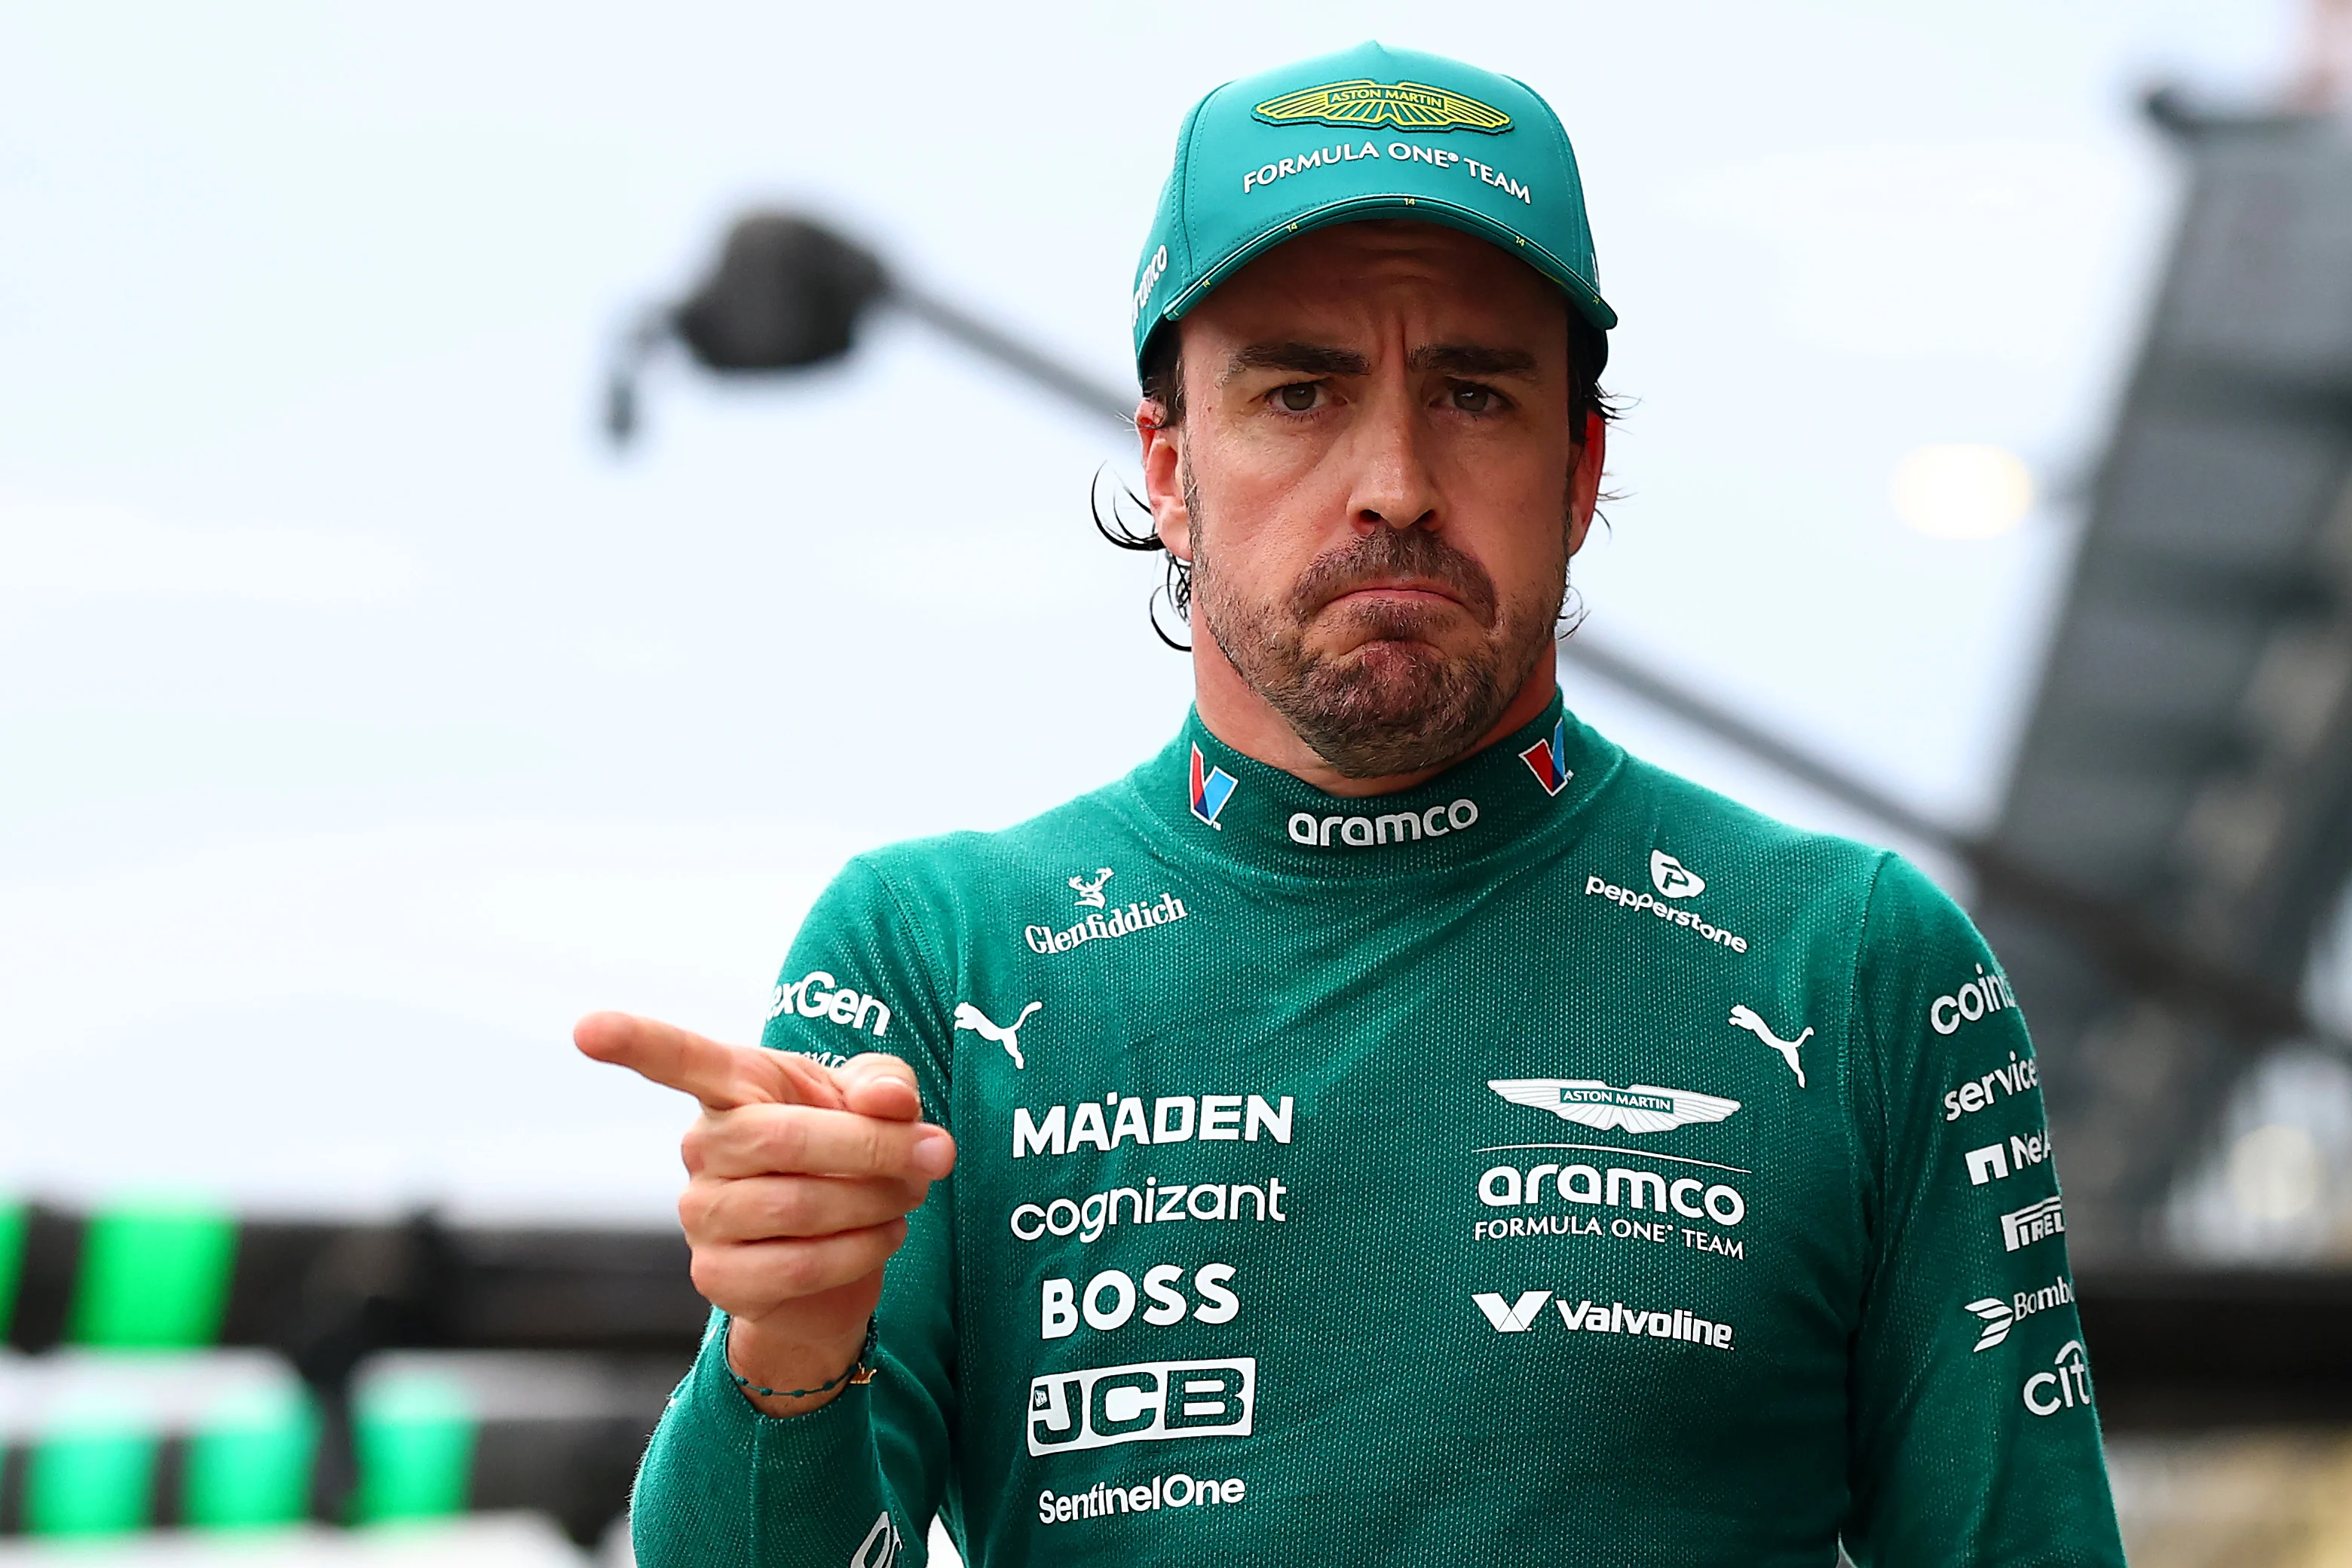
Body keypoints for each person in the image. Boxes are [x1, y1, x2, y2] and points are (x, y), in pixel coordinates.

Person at [578, 41, 2126, 1567]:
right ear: (1168, 466)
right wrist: (782, 1342)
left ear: (1581, 464)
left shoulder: (1856, 963)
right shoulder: (934, 951)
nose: (1393, 477)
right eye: (1301, 392)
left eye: (1472, 390)